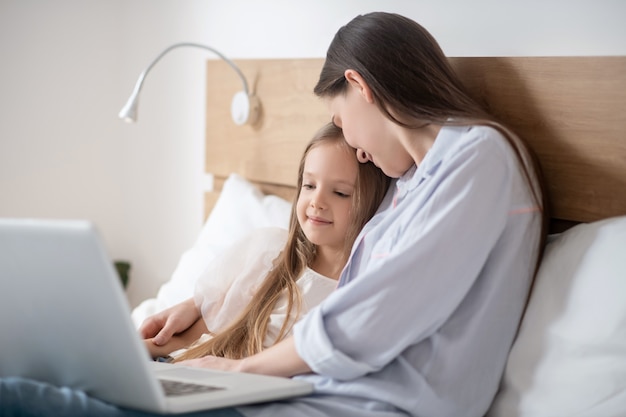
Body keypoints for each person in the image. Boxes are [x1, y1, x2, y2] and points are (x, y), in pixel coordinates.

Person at [0, 11, 548, 417]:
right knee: (42, 386)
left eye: (341, 117)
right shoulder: (411, 182)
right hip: (312, 396)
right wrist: (213, 318)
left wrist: (239, 371)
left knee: (28, 398)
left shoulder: (478, 158)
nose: (356, 148)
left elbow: (367, 322)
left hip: (368, 407)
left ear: (358, 86)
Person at [142, 122, 390, 362]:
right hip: (184, 368)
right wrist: (138, 352)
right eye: (309, 185)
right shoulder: (272, 253)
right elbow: (204, 334)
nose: (317, 201)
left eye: (340, 193)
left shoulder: (358, 291)